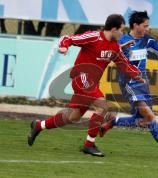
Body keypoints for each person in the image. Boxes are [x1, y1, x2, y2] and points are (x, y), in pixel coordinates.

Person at [27, 14, 144, 157]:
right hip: (81, 78)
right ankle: (89, 145)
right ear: (113, 29)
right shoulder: (93, 37)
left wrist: (137, 75)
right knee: (103, 107)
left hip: (92, 83)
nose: (122, 33)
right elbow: (68, 38)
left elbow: (124, 65)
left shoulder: (115, 47)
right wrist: (63, 47)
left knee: (72, 117)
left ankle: (38, 126)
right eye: (121, 29)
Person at [99, 11, 158, 160]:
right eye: (145, 26)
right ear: (136, 25)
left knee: (143, 120)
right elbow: (111, 56)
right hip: (128, 81)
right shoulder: (122, 40)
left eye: (148, 26)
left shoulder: (148, 41)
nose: (148, 28)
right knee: (149, 115)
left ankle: (113, 121)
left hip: (142, 81)